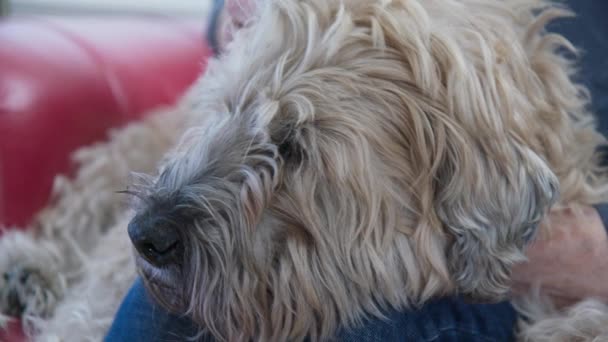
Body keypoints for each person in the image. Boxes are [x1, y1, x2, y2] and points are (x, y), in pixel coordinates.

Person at [105, 0, 608, 340]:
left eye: (292, 154)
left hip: (544, 245)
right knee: (162, 306)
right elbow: (229, 14)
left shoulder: (472, 146)